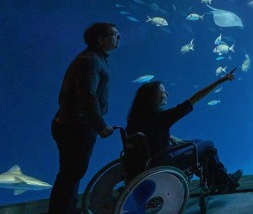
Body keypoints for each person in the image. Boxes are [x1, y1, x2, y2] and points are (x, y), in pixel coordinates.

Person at [125, 71, 242, 194]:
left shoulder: (135, 118)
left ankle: (215, 180)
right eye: (163, 92)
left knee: (198, 142)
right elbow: (194, 99)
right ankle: (223, 181)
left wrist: (169, 136)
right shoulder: (161, 117)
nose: (167, 94)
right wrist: (219, 81)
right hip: (164, 162)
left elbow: (150, 134)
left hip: (148, 163)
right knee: (208, 144)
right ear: (153, 97)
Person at [49, 23, 120, 214]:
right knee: (71, 173)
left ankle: (68, 209)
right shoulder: (90, 61)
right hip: (76, 125)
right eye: (114, 34)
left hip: (75, 123)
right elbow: (88, 96)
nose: (119, 38)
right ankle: (62, 210)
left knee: (73, 172)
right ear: (100, 39)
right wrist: (100, 126)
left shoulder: (97, 59)